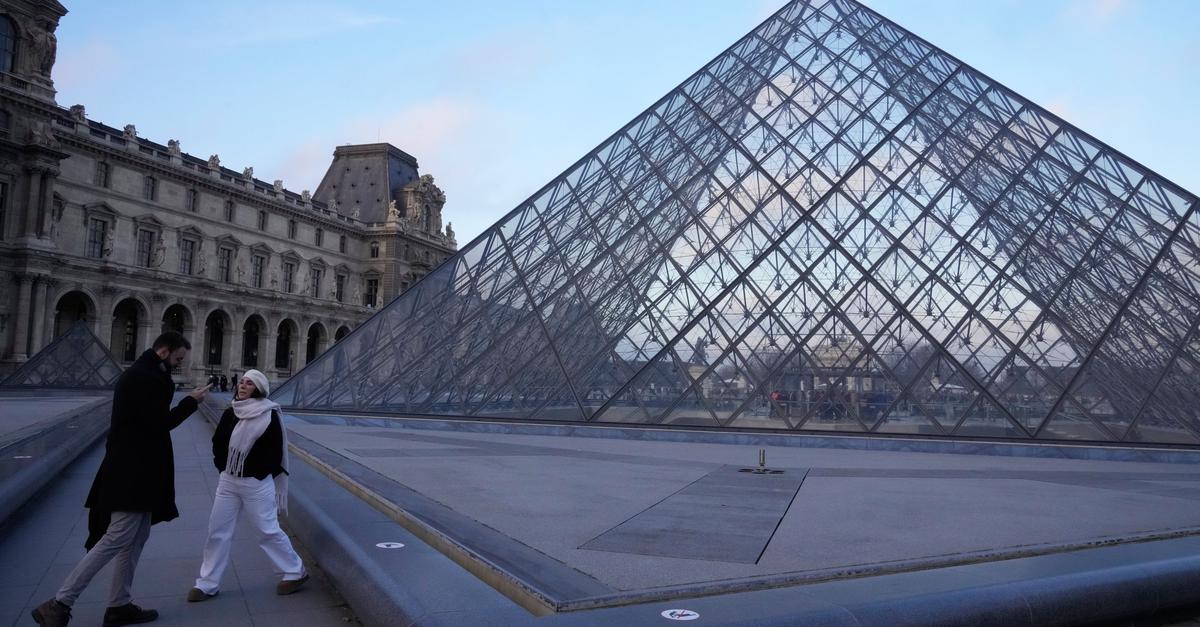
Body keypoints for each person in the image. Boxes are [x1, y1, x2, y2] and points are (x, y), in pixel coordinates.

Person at [33, 332, 210, 627]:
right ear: (164, 351)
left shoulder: (142, 374)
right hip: (134, 474)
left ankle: (119, 605)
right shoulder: (147, 378)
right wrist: (191, 402)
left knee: (136, 536)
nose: (179, 365)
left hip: (135, 469)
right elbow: (160, 423)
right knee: (117, 537)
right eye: (178, 358)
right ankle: (60, 602)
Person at [187, 369, 307, 602]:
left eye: (249, 383)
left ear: (258, 389)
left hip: (256, 482)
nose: (242, 386)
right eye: (241, 382)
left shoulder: (268, 414)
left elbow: (275, 451)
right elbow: (218, 442)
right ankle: (207, 583)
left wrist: (258, 472)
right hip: (229, 480)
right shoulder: (232, 411)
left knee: (267, 530)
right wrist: (222, 466)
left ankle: (295, 571)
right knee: (217, 531)